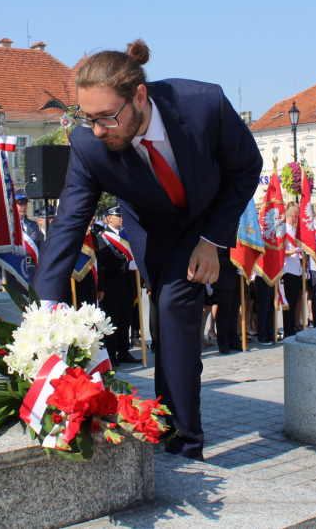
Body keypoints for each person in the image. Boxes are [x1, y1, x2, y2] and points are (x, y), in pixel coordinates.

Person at [32, 39, 262, 460]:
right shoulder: (89, 146)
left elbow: (246, 168)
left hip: (206, 220)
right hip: (154, 229)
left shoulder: (203, 104)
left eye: (107, 117)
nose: (98, 130)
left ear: (139, 96)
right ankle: (162, 422)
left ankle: (184, 442)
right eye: (89, 118)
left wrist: (212, 241)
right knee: (167, 323)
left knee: (175, 306)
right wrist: (44, 307)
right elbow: (68, 224)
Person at [94, 204, 140, 365]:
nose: (121, 218)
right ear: (108, 218)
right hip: (112, 287)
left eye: (122, 216)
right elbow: (105, 261)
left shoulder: (126, 236)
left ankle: (124, 351)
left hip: (128, 285)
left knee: (124, 321)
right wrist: (126, 266)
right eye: (117, 216)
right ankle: (111, 355)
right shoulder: (102, 237)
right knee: (111, 323)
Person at [281, 203, 304, 337]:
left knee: (294, 300)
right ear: (294, 215)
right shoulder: (283, 229)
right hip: (287, 270)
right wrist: (295, 250)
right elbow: (281, 251)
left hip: (296, 269)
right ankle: (287, 329)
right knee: (288, 302)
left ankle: (293, 326)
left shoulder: (294, 230)